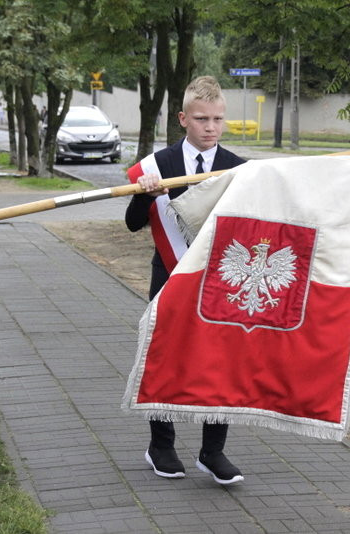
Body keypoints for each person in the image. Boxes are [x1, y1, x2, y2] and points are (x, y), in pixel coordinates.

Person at [125, 76, 246, 485]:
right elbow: (133, 224)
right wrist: (143, 194)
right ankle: (161, 446)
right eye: (201, 119)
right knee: (166, 357)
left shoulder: (240, 169)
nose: (210, 127)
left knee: (221, 361)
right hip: (169, 276)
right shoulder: (157, 166)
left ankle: (213, 452)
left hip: (220, 280)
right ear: (183, 119)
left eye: (217, 119)